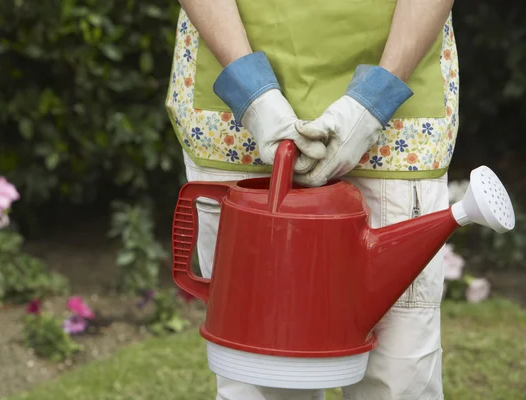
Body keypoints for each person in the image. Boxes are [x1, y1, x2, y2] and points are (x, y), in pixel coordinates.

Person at [165, 0, 458, 398]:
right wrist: (251, 94)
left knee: (397, 376)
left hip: (397, 123)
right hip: (235, 113)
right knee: (262, 370)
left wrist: (376, 98)